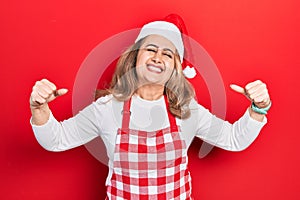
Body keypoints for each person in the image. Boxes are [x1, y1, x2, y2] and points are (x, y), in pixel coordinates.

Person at [29, 14, 271, 199]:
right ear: (134, 58)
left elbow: (233, 139)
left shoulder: (188, 111)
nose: (158, 57)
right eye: (151, 49)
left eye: (168, 54)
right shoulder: (106, 108)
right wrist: (39, 108)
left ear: (175, 68)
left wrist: (258, 108)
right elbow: (56, 139)